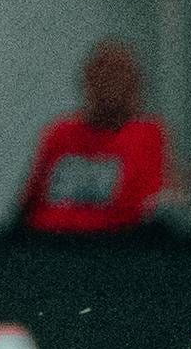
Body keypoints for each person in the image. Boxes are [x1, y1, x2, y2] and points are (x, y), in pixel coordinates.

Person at [17, 40, 169, 231]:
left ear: (135, 85)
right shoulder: (60, 133)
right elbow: (28, 206)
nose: (109, 82)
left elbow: (140, 210)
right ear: (87, 79)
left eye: (118, 73)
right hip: (48, 244)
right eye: (101, 71)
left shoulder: (148, 135)